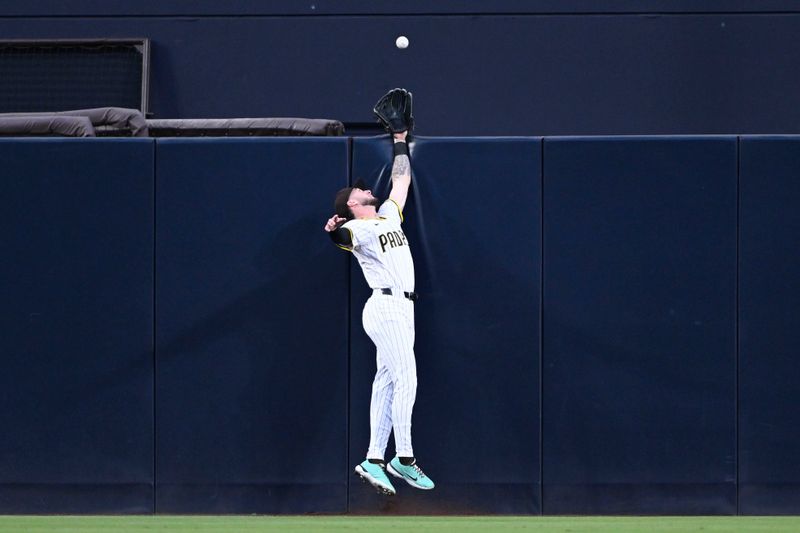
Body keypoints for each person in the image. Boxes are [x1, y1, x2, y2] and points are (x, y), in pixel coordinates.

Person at [324, 128, 434, 496]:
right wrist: (333, 231)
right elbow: (344, 240)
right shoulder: (357, 225)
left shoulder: (387, 214)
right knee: (407, 378)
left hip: (403, 308)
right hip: (385, 305)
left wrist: (400, 139)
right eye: (357, 191)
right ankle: (403, 457)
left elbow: (401, 178)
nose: (364, 188)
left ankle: (373, 458)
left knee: (386, 381)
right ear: (351, 205)